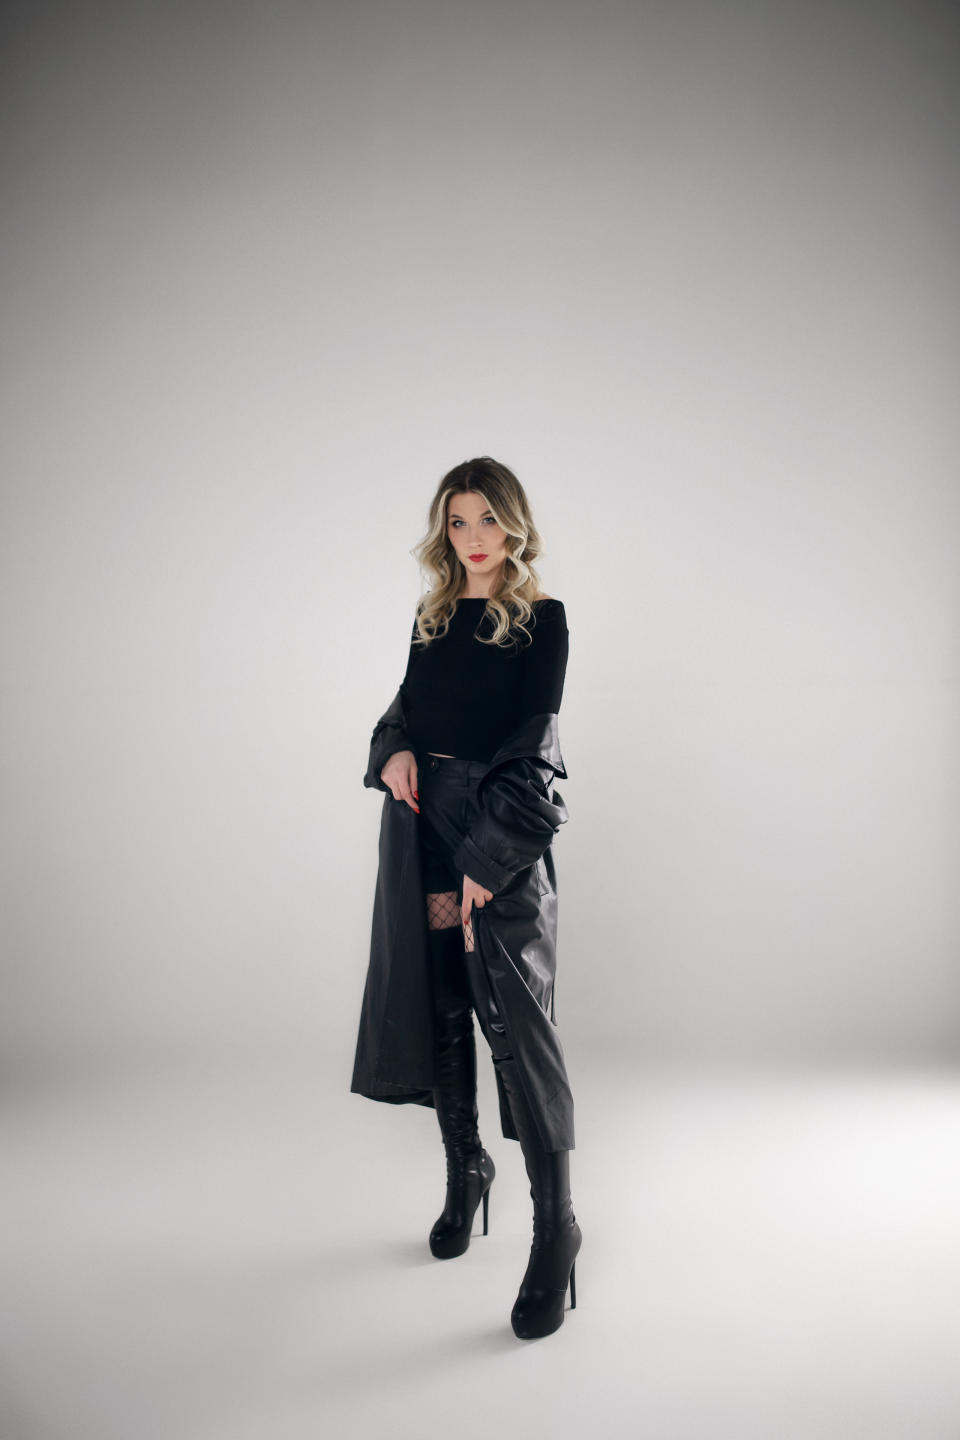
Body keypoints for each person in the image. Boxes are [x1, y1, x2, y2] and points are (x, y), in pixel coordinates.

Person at [351, 456, 581, 1340]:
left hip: (497, 830)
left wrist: (492, 855)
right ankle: (465, 1171)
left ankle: (556, 1230)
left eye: (487, 519)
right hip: (426, 831)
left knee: (515, 1024)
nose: (473, 538)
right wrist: (395, 751)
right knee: (443, 999)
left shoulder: (542, 621)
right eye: (458, 522)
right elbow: (406, 709)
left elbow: (538, 746)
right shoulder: (433, 616)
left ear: (513, 525)